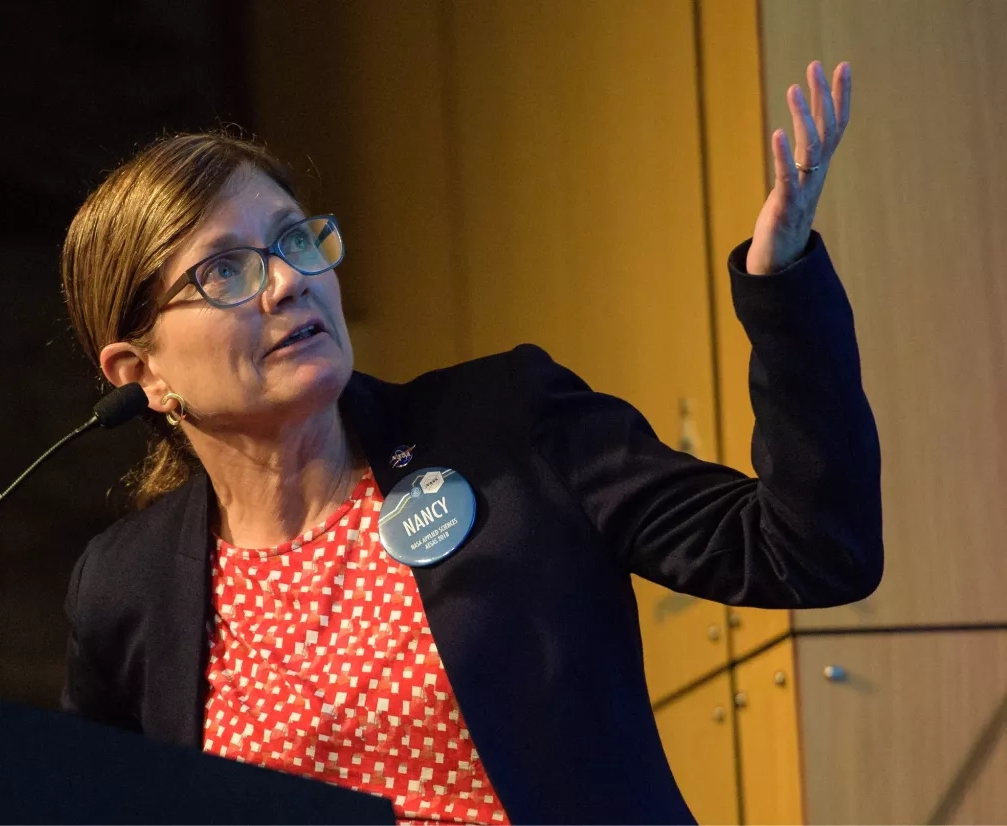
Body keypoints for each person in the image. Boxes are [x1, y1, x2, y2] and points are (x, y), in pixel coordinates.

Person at [58, 60, 876, 824]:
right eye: (225, 271)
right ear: (141, 372)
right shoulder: (125, 588)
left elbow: (807, 550)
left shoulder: (505, 427)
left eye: (294, 240)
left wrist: (786, 293)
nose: (288, 280)